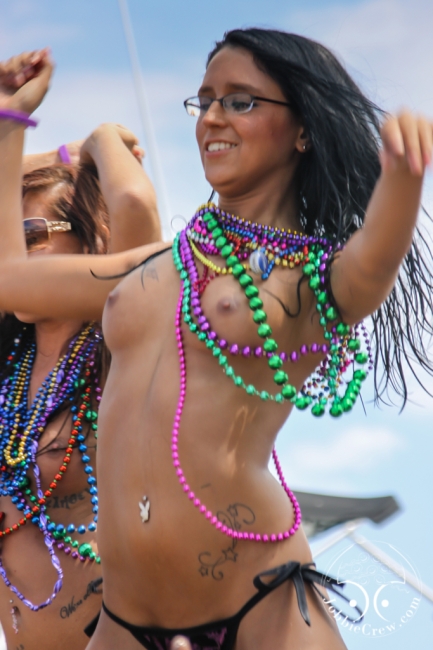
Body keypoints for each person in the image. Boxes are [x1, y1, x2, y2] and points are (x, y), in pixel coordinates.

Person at [0, 31, 431, 650]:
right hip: (125, 619)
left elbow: (371, 265)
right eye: (204, 101)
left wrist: (403, 182)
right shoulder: (151, 266)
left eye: (240, 101)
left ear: (303, 129)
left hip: (260, 599)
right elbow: (11, 280)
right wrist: (10, 118)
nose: (213, 118)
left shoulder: (309, 280)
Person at [0, 107, 161, 649]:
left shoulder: (119, 348)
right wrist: (57, 154)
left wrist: (99, 142)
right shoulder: (9, 371)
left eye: (30, 234)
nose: (12, 255)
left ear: (95, 238)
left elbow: (134, 205)